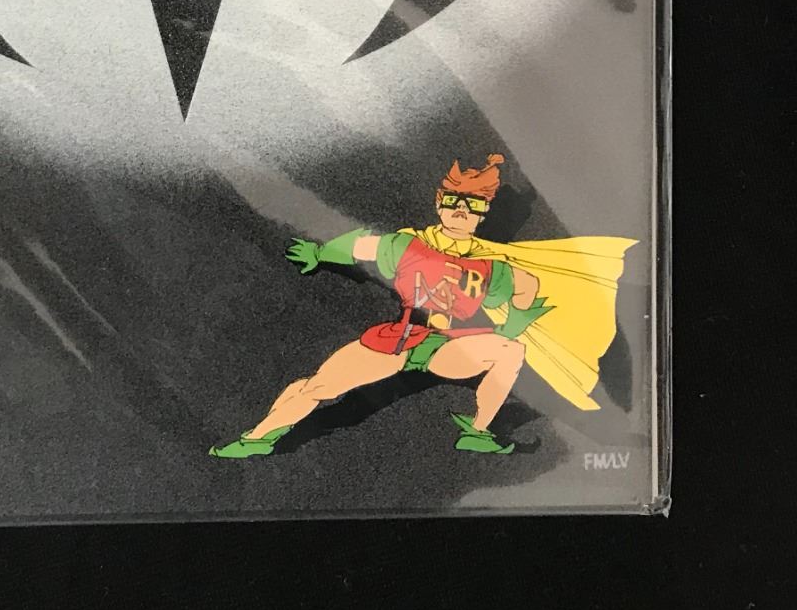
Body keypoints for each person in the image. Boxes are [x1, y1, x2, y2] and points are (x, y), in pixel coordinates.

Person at [210, 153, 635, 459]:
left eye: (471, 206)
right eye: (453, 202)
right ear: (440, 203)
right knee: (319, 387)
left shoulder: (490, 267)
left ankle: (478, 431)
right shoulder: (409, 245)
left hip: (451, 347)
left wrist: (514, 325)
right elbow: (360, 245)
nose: (460, 212)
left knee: (509, 351)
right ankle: (258, 438)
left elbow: (527, 285)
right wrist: (321, 255)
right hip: (398, 340)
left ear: (481, 213)